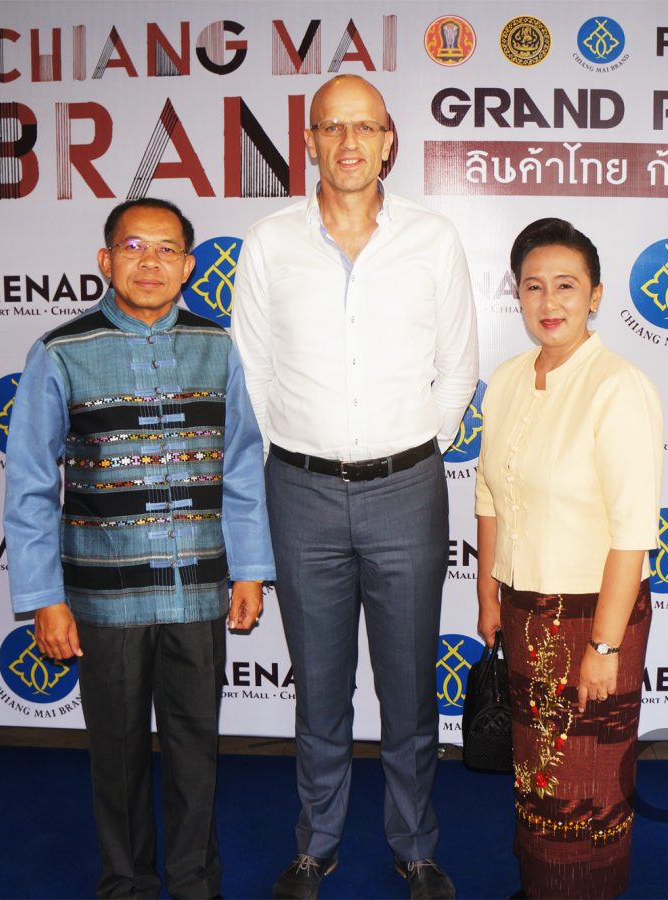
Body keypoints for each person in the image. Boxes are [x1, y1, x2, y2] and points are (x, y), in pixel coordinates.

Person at [231, 74, 477, 900]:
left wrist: (410, 447)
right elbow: (252, 373)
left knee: (408, 689)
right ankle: (318, 844)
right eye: (331, 127)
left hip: (407, 489)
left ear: (388, 141)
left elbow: (458, 367)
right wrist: (302, 450)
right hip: (299, 491)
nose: (348, 143)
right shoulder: (269, 242)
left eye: (364, 127)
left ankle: (415, 847)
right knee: (319, 688)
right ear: (308, 141)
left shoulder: (432, 238)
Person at [4, 197, 275, 899]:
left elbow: (242, 467)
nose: (149, 263)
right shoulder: (61, 352)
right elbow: (31, 484)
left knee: (196, 753)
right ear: (106, 260)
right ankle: (126, 885)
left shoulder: (218, 348)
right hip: (104, 599)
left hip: (197, 593)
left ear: (188, 266)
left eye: (166, 250)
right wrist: (43, 598)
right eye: (133, 247)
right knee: (118, 755)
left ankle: (194, 883)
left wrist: (249, 570)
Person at [474, 218, 664, 899]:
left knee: (588, 777)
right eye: (533, 286)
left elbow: (633, 531)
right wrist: (488, 595)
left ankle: (584, 888)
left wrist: (605, 646)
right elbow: (489, 493)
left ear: (595, 295)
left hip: (593, 613)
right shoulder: (506, 380)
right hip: (525, 610)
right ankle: (543, 884)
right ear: (517, 295)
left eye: (565, 285)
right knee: (538, 771)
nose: (548, 301)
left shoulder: (618, 386)